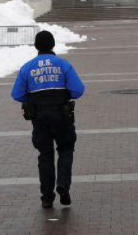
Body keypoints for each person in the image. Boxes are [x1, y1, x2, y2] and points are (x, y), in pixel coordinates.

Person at [12, 30, 86, 209]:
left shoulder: (28, 67)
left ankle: (46, 197)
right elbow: (78, 90)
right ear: (53, 44)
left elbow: (17, 94)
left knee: (45, 155)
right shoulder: (62, 64)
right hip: (62, 115)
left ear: (36, 46)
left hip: (39, 117)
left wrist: (33, 98)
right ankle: (63, 184)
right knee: (66, 149)